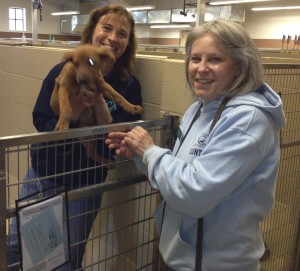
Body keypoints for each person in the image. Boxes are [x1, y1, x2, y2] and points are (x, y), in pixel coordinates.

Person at [105, 20, 285, 271]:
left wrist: (149, 150)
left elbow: (193, 194)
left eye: (214, 59)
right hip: (181, 256)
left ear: (239, 67)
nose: (201, 69)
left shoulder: (248, 119)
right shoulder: (198, 109)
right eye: (195, 58)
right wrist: (140, 156)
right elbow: (182, 172)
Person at [7, 4, 142, 271]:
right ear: (92, 31)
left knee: (66, 258)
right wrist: (71, 118)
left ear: (128, 42)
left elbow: (117, 138)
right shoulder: (62, 70)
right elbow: (41, 118)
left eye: (122, 33)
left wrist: (98, 105)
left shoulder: (129, 85)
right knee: (18, 247)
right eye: (107, 28)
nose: (113, 38)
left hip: (86, 184)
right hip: (44, 176)